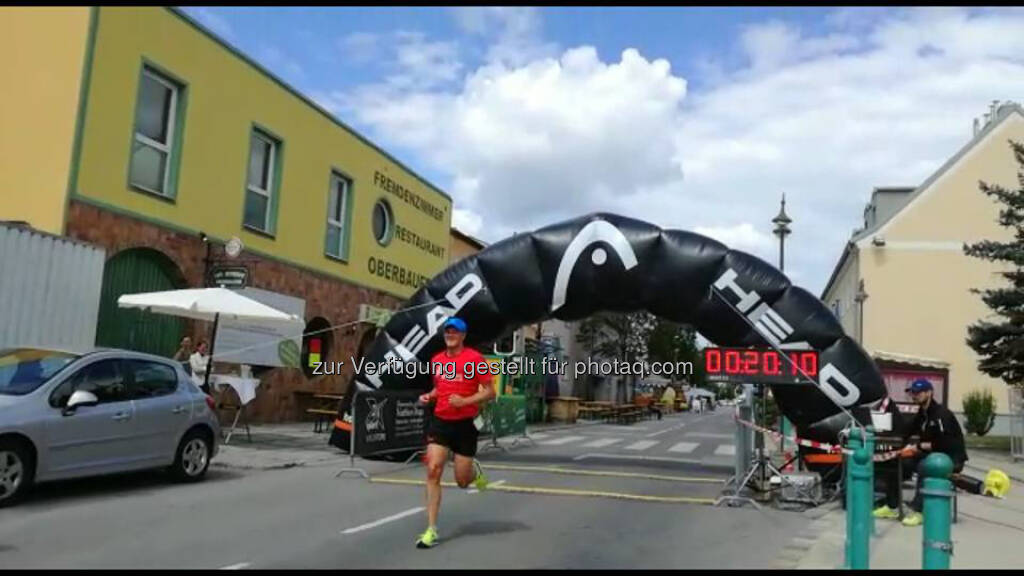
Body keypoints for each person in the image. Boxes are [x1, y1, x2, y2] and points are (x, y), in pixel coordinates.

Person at [415, 317, 495, 549]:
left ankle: (473, 471)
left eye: (455, 331)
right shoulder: (437, 360)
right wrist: (430, 396)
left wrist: (465, 400)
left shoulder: (475, 359)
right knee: (433, 470)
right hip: (440, 422)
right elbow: (441, 387)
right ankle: (431, 529)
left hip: (464, 424)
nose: (450, 334)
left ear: (463, 336)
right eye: (447, 331)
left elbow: (490, 392)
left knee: (461, 481)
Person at [873, 379, 967, 527]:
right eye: (913, 393)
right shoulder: (922, 414)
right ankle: (892, 506)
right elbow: (907, 431)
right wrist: (898, 448)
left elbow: (947, 443)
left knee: (925, 466)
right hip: (931, 455)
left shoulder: (941, 414)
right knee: (896, 462)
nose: (914, 396)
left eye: (918, 393)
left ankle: (919, 511)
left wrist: (921, 447)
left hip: (950, 459)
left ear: (929, 393)